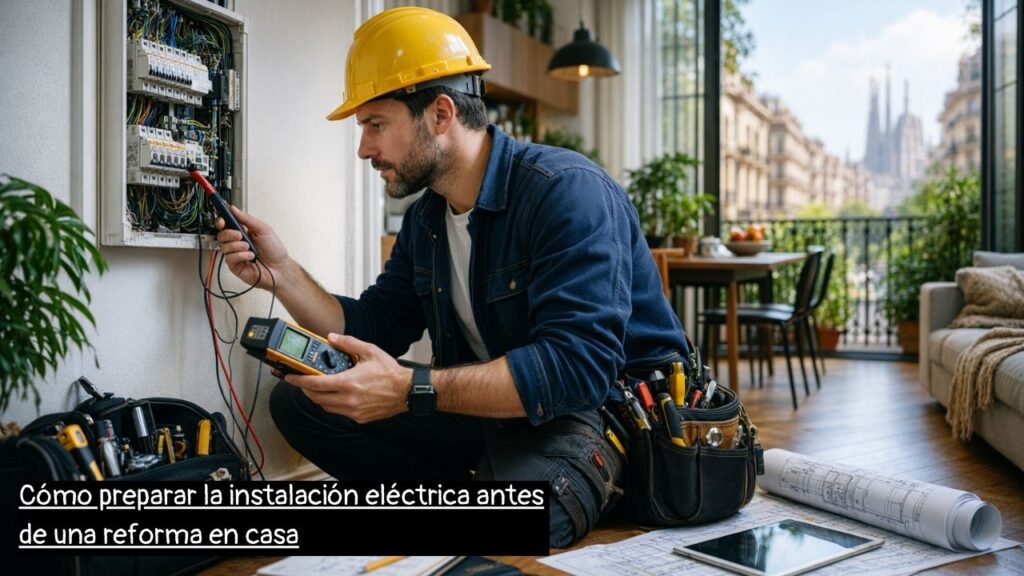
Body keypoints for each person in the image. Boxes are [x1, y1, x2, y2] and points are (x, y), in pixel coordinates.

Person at [215, 7, 689, 547]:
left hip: (600, 416)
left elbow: (578, 369)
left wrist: (411, 390)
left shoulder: (565, 191)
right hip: (494, 414)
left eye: (375, 124)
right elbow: (375, 325)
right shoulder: (428, 219)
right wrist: (280, 274)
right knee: (302, 401)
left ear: (441, 113)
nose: (364, 148)